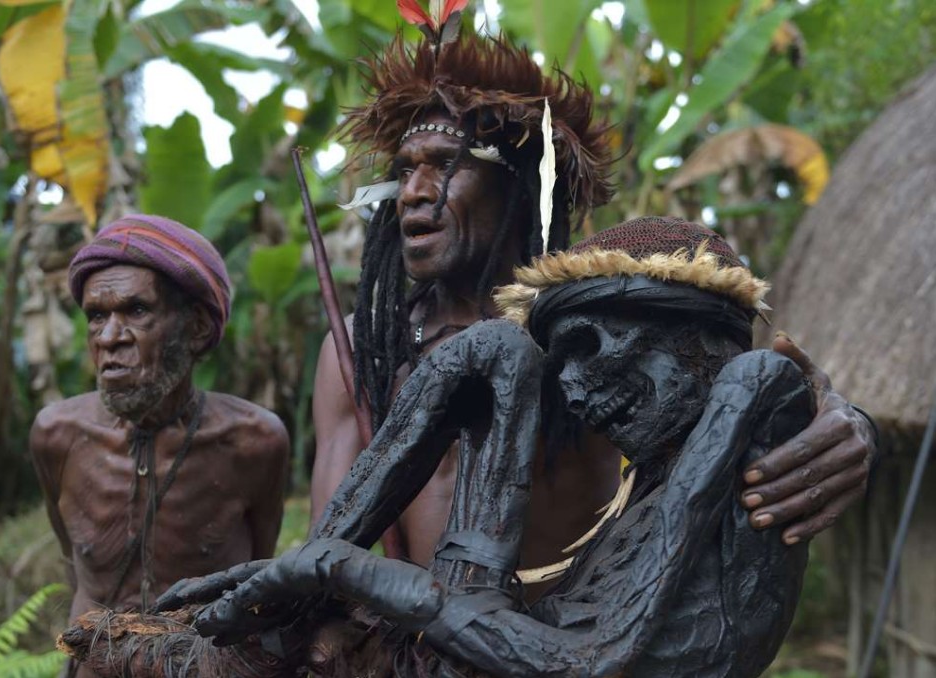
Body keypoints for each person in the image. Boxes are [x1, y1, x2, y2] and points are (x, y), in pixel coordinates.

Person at [94, 217, 824, 678]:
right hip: (489, 640)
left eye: (589, 347)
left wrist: (350, 570)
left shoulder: (753, 386)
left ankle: (287, 603)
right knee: (495, 350)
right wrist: (303, 572)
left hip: (535, 663)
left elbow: (594, 663)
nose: (570, 387)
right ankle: (283, 605)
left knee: (328, 604)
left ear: (688, 334)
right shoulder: (664, 464)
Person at [311, 12, 875, 579]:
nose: (413, 192)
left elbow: (745, 395)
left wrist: (843, 422)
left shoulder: (592, 331)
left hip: (564, 648)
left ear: (523, 184)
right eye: (404, 171)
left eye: (443, 165)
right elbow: (324, 550)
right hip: (407, 655)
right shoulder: (363, 350)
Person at [30, 214, 288, 678]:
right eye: (96, 316)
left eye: (136, 311)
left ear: (196, 329)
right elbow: (75, 562)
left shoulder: (253, 443)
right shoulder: (57, 436)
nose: (109, 338)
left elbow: (257, 575)